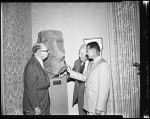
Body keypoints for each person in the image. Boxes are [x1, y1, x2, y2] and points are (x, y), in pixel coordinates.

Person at [67, 42, 114, 115]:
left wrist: (99, 108)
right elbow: (84, 77)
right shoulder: (92, 64)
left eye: (87, 51)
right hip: (90, 105)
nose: (86, 54)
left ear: (94, 51)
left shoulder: (103, 64)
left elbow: (104, 90)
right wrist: (70, 72)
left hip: (96, 106)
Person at [23, 43, 51, 115]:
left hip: (43, 102)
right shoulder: (32, 65)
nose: (48, 52)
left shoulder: (39, 62)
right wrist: (36, 107)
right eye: (46, 50)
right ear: (38, 52)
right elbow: (30, 89)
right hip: (36, 107)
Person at [68, 44, 88, 115]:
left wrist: (70, 72)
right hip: (79, 94)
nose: (79, 55)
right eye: (79, 53)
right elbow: (71, 75)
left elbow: (84, 78)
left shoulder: (92, 64)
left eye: (82, 54)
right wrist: (61, 79)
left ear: (87, 54)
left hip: (88, 95)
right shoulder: (77, 62)